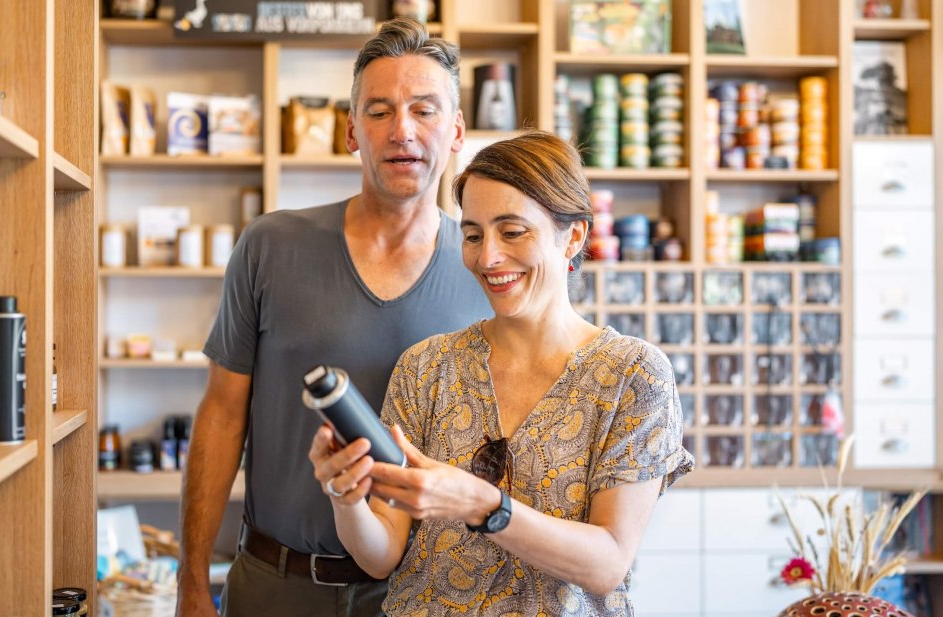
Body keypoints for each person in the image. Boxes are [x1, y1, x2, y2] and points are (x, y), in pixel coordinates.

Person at [176, 18, 492, 617]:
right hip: (274, 583)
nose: (402, 130)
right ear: (351, 131)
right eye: (379, 111)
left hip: (420, 594)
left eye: (425, 110)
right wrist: (191, 579)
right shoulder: (270, 245)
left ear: (455, 131)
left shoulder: (485, 271)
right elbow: (221, 413)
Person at [309, 131, 695, 616]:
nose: (487, 257)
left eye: (512, 232)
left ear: (573, 236)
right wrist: (344, 496)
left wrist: (483, 506)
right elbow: (382, 555)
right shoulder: (425, 368)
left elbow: (608, 563)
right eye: (472, 235)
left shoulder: (632, 375)